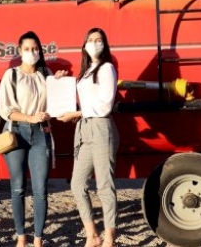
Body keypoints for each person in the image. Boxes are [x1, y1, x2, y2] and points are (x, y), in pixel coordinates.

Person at [0, 31, 61, 247]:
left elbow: (55, 105)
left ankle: (37, 239)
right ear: (19, 51)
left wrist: (59, 85)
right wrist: (29, 117)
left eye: (35, 48)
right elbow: (6, 110)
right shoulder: (12, 75)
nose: (32, 52)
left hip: (41, 134)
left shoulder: (46, 73)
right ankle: (21, 238)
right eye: (27, 49)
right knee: (17, 187)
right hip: (17, 133)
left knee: (40, 189)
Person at [59, 28, 120, 247]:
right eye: (91, 40)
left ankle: (109, 238)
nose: (95, 43)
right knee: (77, 184)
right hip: (85, 128)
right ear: (84, 45)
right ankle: (92, 234)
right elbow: (81, 101)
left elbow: (104, 105)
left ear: (105, 44)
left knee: (105, 185)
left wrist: (76, 114)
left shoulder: (107, 68)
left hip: (101, 128)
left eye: (99, 40)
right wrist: (61, 82)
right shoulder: (86, 71)